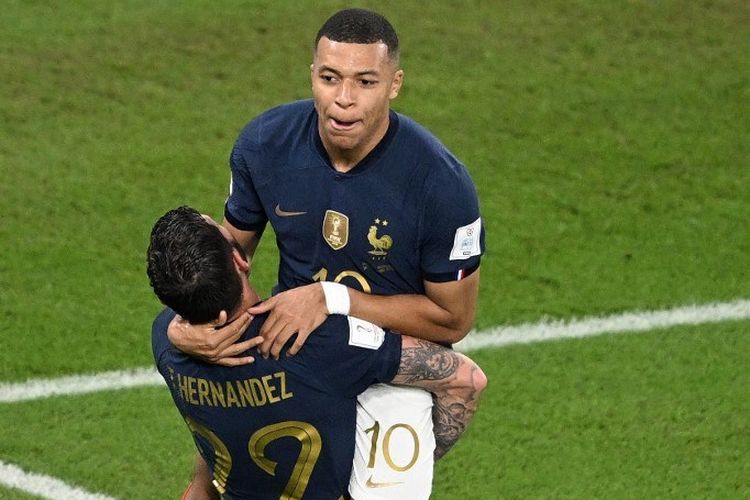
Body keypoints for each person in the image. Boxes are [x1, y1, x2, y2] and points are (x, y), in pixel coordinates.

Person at [169, 8, 485, 498]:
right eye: (330, 77)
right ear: (312, 75)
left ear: (394, 84)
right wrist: (183, 327)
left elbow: (452, 320)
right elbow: (222, 261)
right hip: (291, 348)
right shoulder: (265, 144)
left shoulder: (439, 185)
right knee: (210, 484)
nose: (343, 99)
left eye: (365, 81)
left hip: (391, 376)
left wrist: (330, 299)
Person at [148, 206, 486, 499]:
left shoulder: (168, 347)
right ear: (240, 260)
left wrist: (175, 331)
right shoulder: (316, 344)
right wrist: (409, 469)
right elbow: (465, 380)